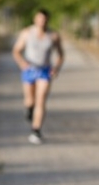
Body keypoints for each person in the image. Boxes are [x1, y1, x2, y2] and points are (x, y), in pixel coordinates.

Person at [12, 8, 64, 145]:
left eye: (44, 19)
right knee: (30, 100)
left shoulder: (53, 36)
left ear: (48, 20)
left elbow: (61, 55)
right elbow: (16, 51)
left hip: (45, 71)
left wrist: (56, 68)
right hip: (29, 69)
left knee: (40, 100)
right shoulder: (27, 33)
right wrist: (22, 63)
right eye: (39, 18)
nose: (42, 21)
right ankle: (29, 109)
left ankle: (36, 130)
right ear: (35, 19)